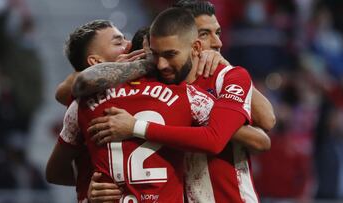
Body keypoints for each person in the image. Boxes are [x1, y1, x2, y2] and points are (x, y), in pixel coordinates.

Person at [74, 1, 275, 202]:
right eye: (205, 33)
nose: (217, 43)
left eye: (218, 32)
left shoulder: (225, 76)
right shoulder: (159, 79)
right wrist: (91, 190)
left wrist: (137, 126)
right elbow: (76, 86)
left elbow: (263, 132)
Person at [46, 19, 141, 202]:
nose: (129, 45)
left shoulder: (151, 87)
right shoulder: (83, 104)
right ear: (96, 61)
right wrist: (87, 184)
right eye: (118, 42)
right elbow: (54, 172)